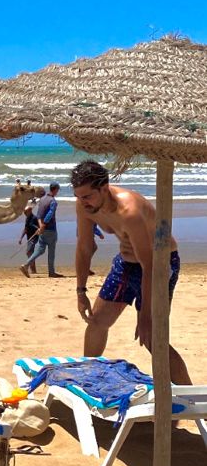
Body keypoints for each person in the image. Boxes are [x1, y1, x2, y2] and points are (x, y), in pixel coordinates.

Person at [71, 159, 191, 384]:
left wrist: (145, 315)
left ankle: (193, 404)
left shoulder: (129, 211)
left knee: (153, 339)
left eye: (87, 196)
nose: (82, 202)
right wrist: (80, 291)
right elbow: (85, 247)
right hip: (126, 263)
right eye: (78, 196)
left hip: (160, 264)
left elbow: (150, 265)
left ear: (104, 188)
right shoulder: (85, 206)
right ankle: (88, 381)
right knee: (97, 323)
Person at [20, 182, 63, 278]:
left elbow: (39, 214)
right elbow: (50, 214)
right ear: (55, 189)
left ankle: (26, 265)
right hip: (50, 229)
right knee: (51, 251)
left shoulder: (42, 200)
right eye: (58, 190)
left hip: (42, 229)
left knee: (40, 250)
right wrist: (44, 225)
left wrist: (40, 225)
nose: (58, 192)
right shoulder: (53, 201)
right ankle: (51, 272)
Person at [18, 201, 39, 275]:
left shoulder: (35, 218)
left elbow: (39, 228)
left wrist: (37, 229)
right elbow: (26, 229)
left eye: (26, 212)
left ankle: (31, 269)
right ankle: (33, 270)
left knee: (29, 252)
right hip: (29, 237)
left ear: (30, 211)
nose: (25, 214)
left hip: (34, 237)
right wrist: (21, 238)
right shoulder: (27, 218)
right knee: (30, 253)